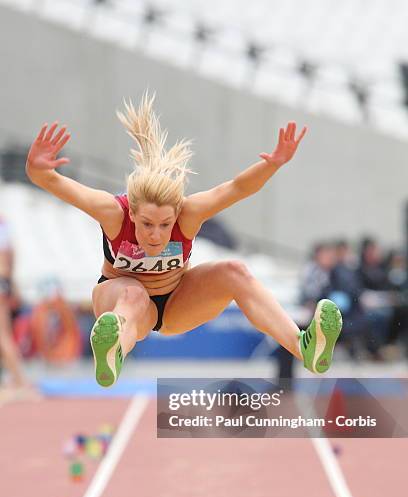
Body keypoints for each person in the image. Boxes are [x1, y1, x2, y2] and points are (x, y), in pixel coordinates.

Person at [26, 92, 342, 387]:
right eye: (147, 224)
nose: (156, 234)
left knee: (235, 271)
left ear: (175, 215)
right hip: (119, 300)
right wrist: (38, 170)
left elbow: (236, 188)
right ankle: (113, 352)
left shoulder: (188, 215)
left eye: (165, 225)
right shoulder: (112, 213)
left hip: (176, 303)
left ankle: (305, 348)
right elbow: (55, 184)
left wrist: (272, 163)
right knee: (134, 294)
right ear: (132, 214)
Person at [0, 216, 32, 390]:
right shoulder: (3, 224)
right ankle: (17, 379)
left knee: (3, 336)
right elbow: (10, 255)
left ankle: (21, 381)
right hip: (3, 279)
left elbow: (8, 255)